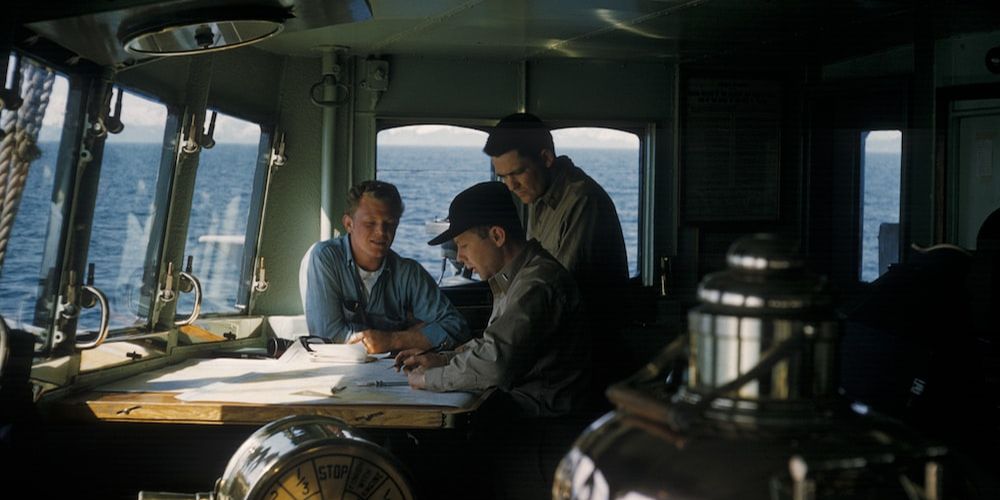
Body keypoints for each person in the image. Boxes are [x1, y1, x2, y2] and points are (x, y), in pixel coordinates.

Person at [399, 181, 591, 418]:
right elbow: (491, 346)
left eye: (463, 245)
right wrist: (442, 359)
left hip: (543, 424)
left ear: (497, 236)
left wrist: (428, 379)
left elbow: (495, 364)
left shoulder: (537, 284)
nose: (459, 257)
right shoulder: (514, 278)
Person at [484, 112, 632, 394]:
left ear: (546, 158)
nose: (511, 186)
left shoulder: (582, 201)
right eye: (503, 177)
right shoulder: (539, 196)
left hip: (585, 366)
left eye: (517, 173)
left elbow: (554, 293)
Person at [300, 180, 470, 353]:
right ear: (349, 224)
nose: (381, 232)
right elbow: (328, 338)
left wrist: (393, 340)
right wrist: (413, 335)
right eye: (370, 223)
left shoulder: (408, 273)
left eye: (390, 223)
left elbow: (457, 328)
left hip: (398, 368)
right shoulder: (324, 259)